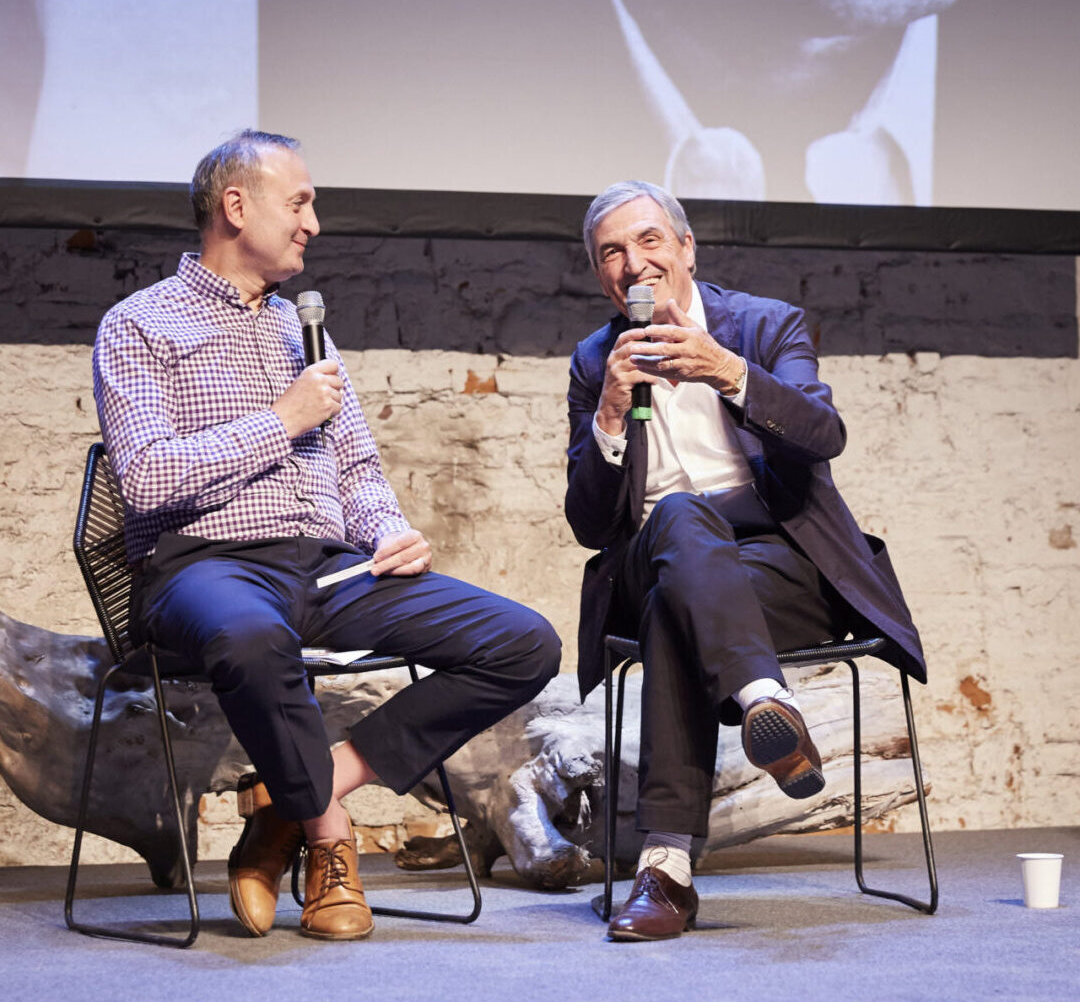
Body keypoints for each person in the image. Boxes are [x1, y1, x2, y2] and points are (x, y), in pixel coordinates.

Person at [92, 130, 561, 942]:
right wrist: (281, 421)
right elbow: (148, 478)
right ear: (236, 206)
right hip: (207, 568)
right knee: (249, 638)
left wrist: (390, 531)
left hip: (331, 570)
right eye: (300, 201)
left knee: (523, 643)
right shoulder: (139, 326)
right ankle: (330, 841)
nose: (314, 222)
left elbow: (357, 471)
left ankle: (298, 794)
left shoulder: (301, 330)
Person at [565, 180, 923, 942]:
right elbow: (590, 525)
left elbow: (821, 436)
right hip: (652, 550)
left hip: (777, 561)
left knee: (677, 606)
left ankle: (664, 873)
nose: (634, 263)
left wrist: (726, 370)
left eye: (650, 241)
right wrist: (606, 414)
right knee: (679, 521)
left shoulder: (764, 326)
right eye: (613, 253)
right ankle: (765, 695)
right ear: (601, 275)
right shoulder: (596, 359)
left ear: (687, 249)